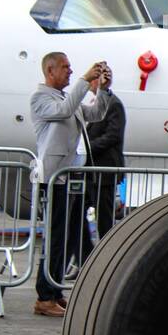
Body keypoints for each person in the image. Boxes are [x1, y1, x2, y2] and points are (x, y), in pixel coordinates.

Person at [31, 52, 111, 316]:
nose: (69, 70)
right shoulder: (41, 98)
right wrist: (84, 80)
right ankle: (44, 296)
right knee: (55, 237)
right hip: (54, 177)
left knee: (68, 236)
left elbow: (96, 114)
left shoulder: (68, 98)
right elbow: (63, 112)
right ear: (50, 71)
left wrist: (103, 90)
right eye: (65, 67)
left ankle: (54, 292)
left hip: (72, 176)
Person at [84, 69, 126, 239]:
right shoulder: (94, 103)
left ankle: (105, 250)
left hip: (104, 170)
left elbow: (113, 135)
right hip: (92, 169)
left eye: (93, 79)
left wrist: (87, 148)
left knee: (104, 217)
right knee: (81, 212)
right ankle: (85, 254)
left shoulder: (113, 103)